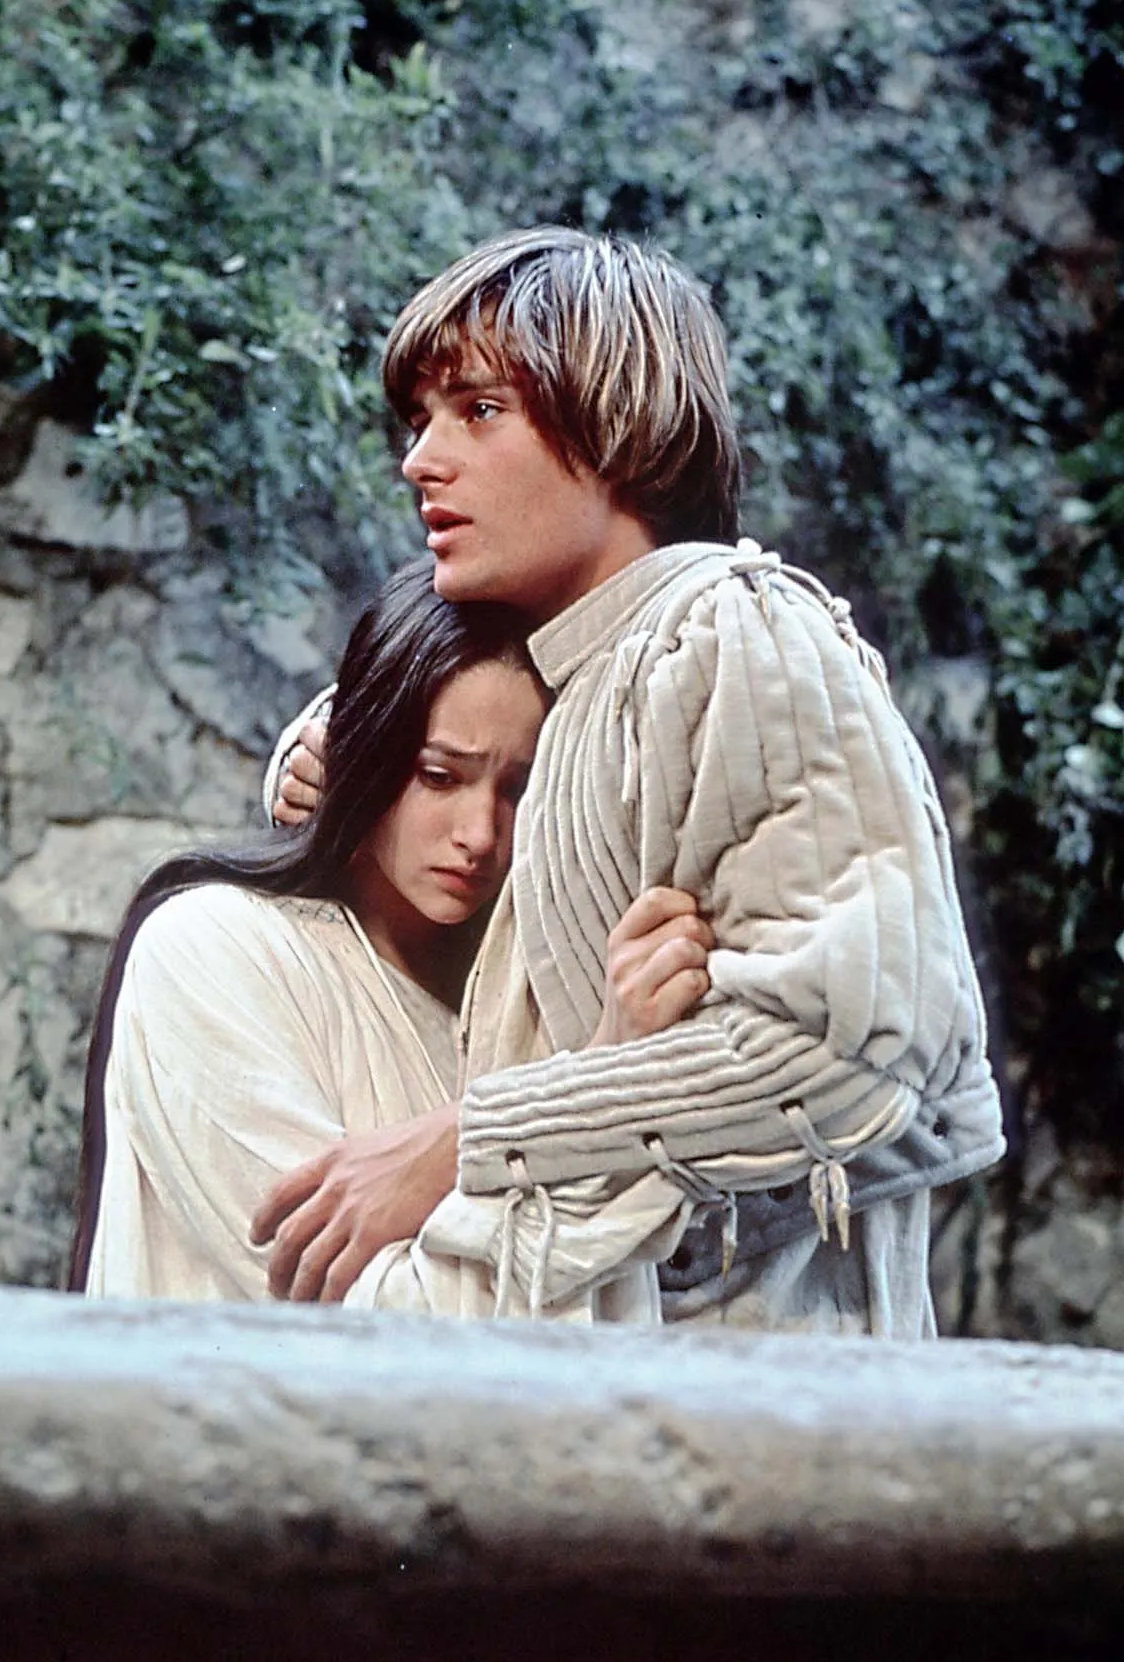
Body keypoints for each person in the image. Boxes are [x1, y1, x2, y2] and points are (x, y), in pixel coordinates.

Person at [254, 225, 1004, 1334]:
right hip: (596, 1374)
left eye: (479, 410)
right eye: (419, 422)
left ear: (617, 427)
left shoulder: (737, 635)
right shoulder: (579, 658)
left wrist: (466, 1145)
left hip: (773, 1397)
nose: (421, 460)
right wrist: (334, 757)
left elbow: (854, 1053)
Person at [70, 557, 709, 1300]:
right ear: (362, 752)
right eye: (440, 777)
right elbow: (367, 1309)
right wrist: (600, 1081)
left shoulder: (522, 1003)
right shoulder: (209, 949)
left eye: (518, 789)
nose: (480, 834)